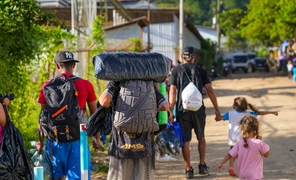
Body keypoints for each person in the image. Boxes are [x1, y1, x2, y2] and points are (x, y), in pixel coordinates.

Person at [37, 51, 98, 180]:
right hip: (78, 139)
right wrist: (96, 138)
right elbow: (94, 115)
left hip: (55, 139)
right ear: (74, 65)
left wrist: (40, 141)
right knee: (78, 177)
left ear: (57, 66)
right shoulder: (86, 85)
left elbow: (42, 117)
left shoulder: (47, 86)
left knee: (56, 176)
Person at [168, 46, 222, 179]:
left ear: (182, 57)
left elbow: (173, 91)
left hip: (183, 110)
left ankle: (188, 170)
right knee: (201, 137)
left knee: (185, 141)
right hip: (198, 109)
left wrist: (170, 111)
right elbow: (209, 90)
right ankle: (202, 165)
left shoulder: (176, 70)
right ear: (194, 57)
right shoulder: (201, 70)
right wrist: (217, 110)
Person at [99, 80, 169, 180]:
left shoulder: (116, 82)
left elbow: (104, 101)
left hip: (121, 144)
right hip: (144, 144)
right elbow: (165, 105)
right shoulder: (149, 84)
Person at [216, 97, 278, 176]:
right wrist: (271, 112)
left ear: (235, 106)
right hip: (254, 173)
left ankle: (231, 166)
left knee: (233, 152)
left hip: (234, 139)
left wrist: (217, 114)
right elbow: (260, 113)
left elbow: (219, 118)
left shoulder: (230, 113)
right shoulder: (250, 114)